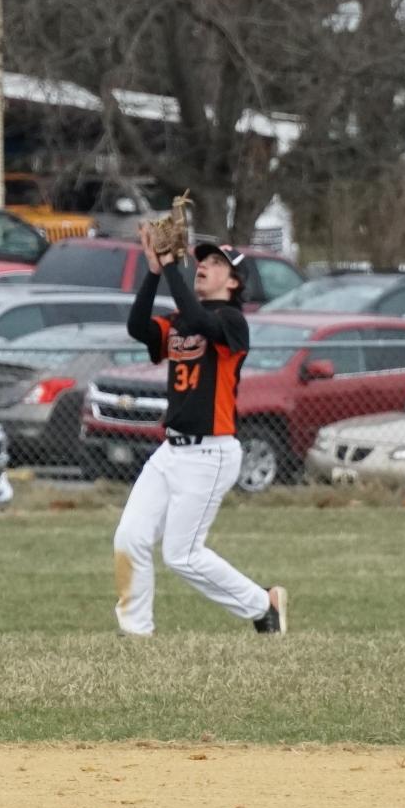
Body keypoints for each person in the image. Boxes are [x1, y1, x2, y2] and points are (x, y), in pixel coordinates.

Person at [112, 238, 288, 637]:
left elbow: (200, 321)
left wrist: (171, 267)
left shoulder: (233, 322)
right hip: (170, 451)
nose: (203, 267)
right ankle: (136, 632)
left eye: (216, 263)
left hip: (211, 453)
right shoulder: (179, 318)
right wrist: (154, 272)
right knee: (130, 536)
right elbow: (138, 327)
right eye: (202, 261)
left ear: (235, 281)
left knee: (182, 555)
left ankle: (263, 604)